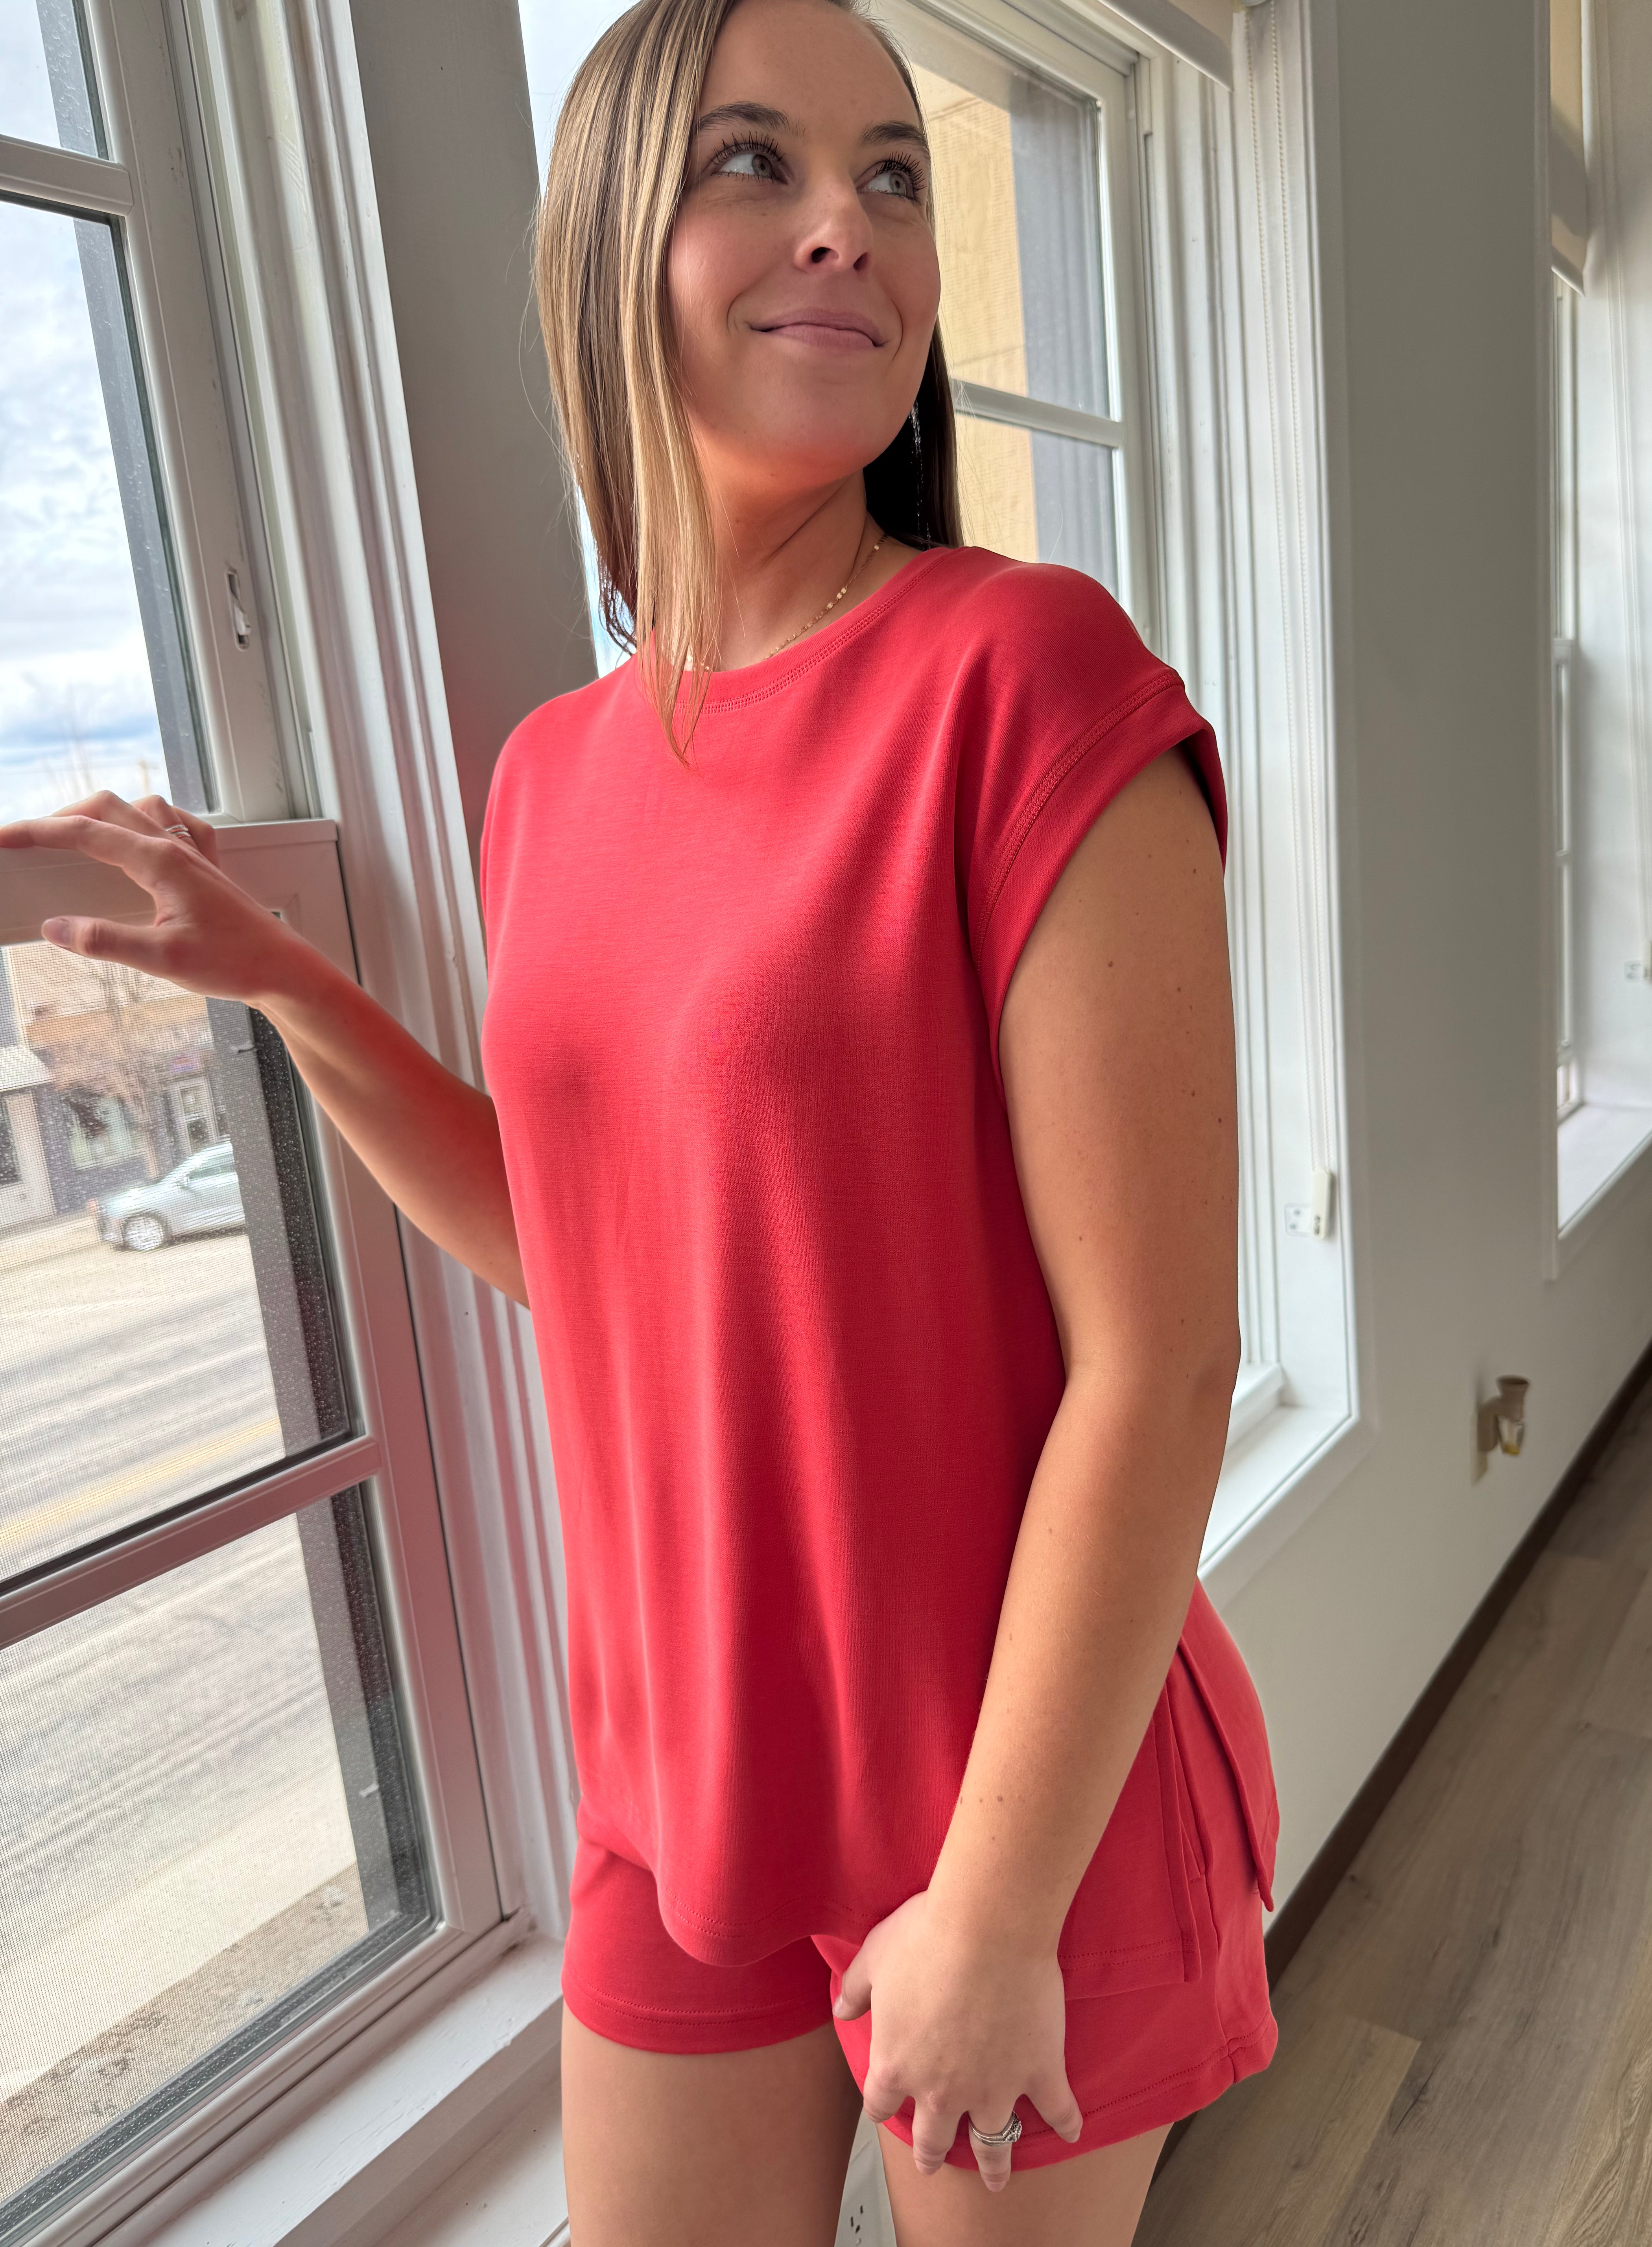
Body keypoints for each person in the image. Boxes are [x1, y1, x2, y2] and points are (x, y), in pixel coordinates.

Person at [0, 0, 1282, 2237]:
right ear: (610, 248)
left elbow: (1158, 1369)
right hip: (682, 1785)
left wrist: (993, 1907)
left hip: (1020, 1796)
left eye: (895, 176)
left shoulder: (1027, 676)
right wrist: (287, 980)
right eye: (755, 164)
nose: (849, 226)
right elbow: (584, 1247)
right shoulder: (550, 777)